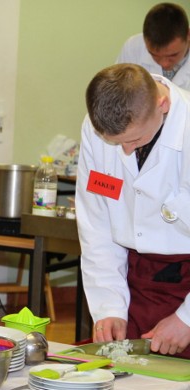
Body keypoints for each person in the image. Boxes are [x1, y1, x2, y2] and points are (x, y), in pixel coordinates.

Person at [76, 63, 190, 359]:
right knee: (131, 381)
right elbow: (97, 226)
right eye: (116, 143)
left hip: (187, 278)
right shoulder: (95, 127)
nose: (126, 151)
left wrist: (186, 320)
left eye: (134, 140)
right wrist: (110, 307)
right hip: (137, 278)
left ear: (161, 104)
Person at [117, 3, 190, 89]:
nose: (164, 64)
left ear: (188, 35)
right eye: (154, 55)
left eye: (173, 55)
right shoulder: (132, 48)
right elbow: (119, 92)